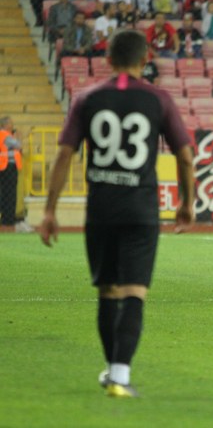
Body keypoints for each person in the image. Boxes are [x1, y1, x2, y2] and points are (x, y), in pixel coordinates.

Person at [39, 29, 195, 398]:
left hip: (101, 209)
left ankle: (112, 371)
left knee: (107, 292)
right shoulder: (158, 99)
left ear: (107, 60)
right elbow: (185, 157)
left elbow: (64, 154)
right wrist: (187, 204)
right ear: (145, 61)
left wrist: (49, 210)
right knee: (134, 292)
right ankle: (120, 375)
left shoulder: (87, 98)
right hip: (141, 210)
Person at [0, 117, 30, 232]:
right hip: (8, 167)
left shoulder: (4, 135)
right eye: (11, 123)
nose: (12, 125)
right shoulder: (5, 136)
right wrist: (19, 137)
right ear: (6, 125)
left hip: (4, 166)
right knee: (10, 194)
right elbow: (18, 145)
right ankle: (8, 220)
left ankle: (5, 218)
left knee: (5, 193)